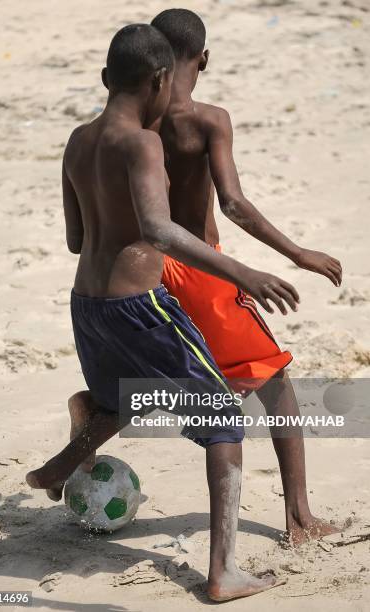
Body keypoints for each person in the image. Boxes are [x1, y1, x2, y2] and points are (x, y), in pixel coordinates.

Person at [26, 23, 300, 601]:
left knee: (125, 396)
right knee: (224, 421)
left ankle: (61, 464)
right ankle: (223, 573)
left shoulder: (77, 139)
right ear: (159, 79)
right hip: (137, 305)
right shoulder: (143, 145)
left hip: (86, 305)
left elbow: (77, 239)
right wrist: (242, 272)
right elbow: (158, 229)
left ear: (105, 79)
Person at [150, 8, 342, 547]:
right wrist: (297, 252)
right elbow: (232, 203)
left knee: (162, 379)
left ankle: (72, 447)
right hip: (202, 269)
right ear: (203, 59)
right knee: (274, 382)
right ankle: (301, 519)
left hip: (144, 267)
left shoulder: (137, 120)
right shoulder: (209, 119)